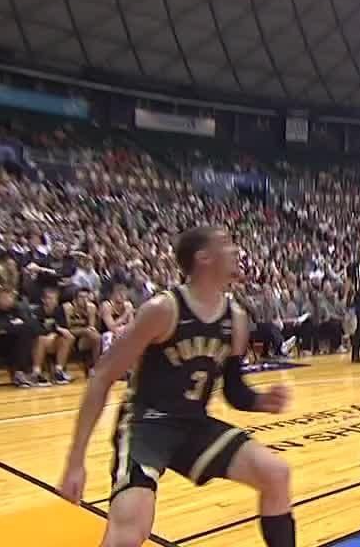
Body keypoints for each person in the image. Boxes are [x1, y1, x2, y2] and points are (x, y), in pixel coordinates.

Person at [56, 226, 295, 547]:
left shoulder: (236, 318)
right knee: (130, 531)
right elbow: (102, 376)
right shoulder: (164, 310)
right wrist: (75, 461)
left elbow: (234, 391)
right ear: (204, 257)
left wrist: (261, 401)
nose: (236, 250)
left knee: (276, 474)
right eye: (227, 244)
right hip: (146, 426)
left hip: (193, 425)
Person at [0, 286, 38, 387]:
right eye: (4, 298)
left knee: (26, 334)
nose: (7, 300)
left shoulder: (18, 309)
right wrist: (11, 324)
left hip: (12, 344)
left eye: (9, 298)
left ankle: (20, 373)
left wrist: (2, 328)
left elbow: (27, 325)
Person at [32, 286, 74, 386]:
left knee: (66, 338)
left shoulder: (59, 310)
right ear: (43, 300)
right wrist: (50, 333)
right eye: (49, 298)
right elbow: (35, 329)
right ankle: (36, 373)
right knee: (41, 339)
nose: (52, 301)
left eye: (54, 299)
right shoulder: (37, 312)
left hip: (53, 341)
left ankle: (58, 371)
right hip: (37, 342)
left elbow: (63, 327)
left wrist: (54, 333)